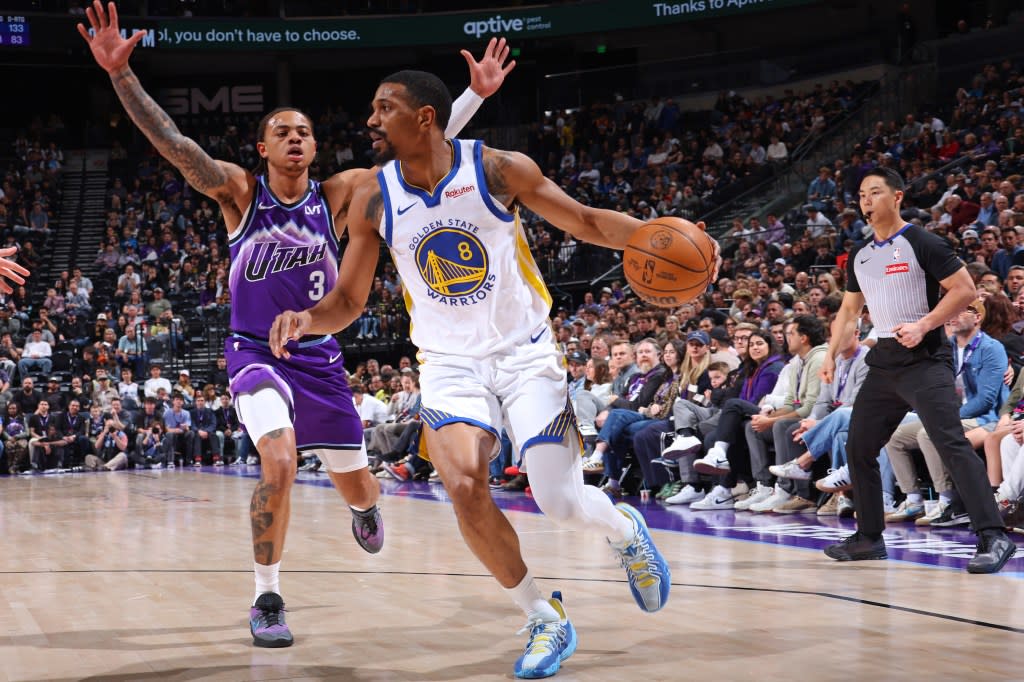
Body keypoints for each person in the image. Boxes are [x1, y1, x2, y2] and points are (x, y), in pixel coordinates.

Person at [80, 0, 515, 649]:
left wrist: (473, 96)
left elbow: (418, 145)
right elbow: (176, 146)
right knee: (278, 462)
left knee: (359, 487)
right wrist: (121, 74)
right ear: (263, 148)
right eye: (282, 131)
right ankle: (267, 596)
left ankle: (366, 506)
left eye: (303, 132)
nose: (294, 138)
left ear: (313, 147)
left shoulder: (338, 195)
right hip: (254, 352)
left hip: (320, 357)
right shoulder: (240, 193)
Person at [270, 68, 717, 679]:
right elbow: (348, 300)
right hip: (448, 364)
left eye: (383, 108)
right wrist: (307, 318)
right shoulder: (374, 198)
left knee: (560, 502)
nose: (370, 120)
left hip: (524, 354)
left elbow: (585, 221)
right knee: (462, 485)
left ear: (424, 117)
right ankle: (543, 616)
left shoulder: (497, 170)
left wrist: (664, 240)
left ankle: (623, 531)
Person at [820, 166, 1017, 573]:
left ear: (897, 197)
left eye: (875, 192)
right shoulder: (859, 254)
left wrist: (925, 324)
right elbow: (849, 310)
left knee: (950, 443)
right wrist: (830, 354)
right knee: (858, 447)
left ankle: (993, 535)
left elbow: (965, 290)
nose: (866, 201)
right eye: (862, 195)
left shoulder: (923, 242)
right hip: (884, 361)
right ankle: (869, 537)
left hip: (925, 358)